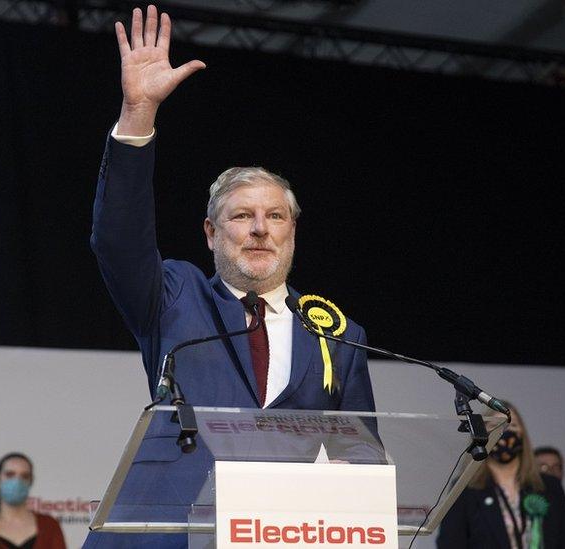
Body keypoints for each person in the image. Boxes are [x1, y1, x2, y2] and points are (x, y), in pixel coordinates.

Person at [88, 4, 375, 547]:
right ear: (210, 234)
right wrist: (138, 113)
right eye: (242, 216)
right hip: (168, 533)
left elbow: (360, 453)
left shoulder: (337, 335)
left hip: (280, 535)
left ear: (293, 232)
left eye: (276, 217)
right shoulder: (173, 297)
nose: (260, 230)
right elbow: (117, 238)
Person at [437, 404, 565, 549]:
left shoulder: (549, 485)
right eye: (496, 425)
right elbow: (450, 543)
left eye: (512, 425)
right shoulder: (465, 488)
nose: (505, 432)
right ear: (482, 434)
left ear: (522, 433)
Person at [0, 453, 66, 549]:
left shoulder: (50, 525)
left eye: (24, 476)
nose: (17, 481)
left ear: (31, 481)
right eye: (10, 475)